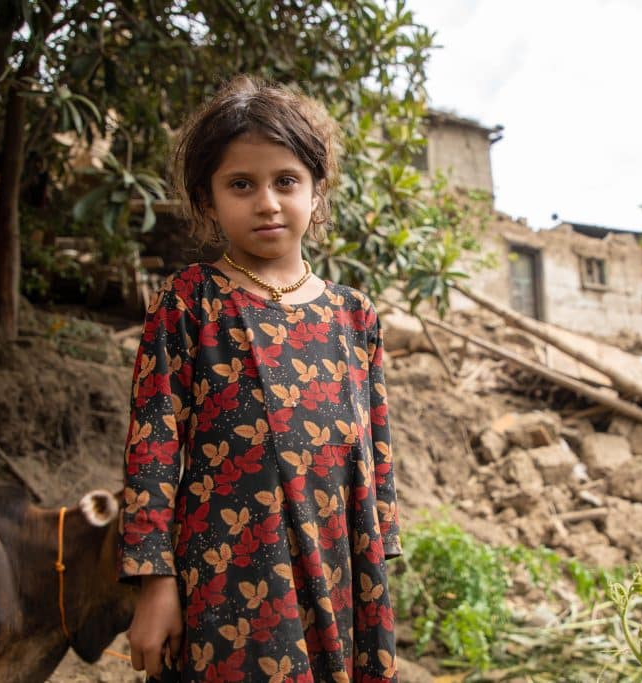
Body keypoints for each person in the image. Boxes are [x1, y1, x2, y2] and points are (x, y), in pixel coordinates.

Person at [119, 75, 400, 682]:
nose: (267, 201)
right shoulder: (188, 302)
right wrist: (154, 583)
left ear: (317, 192)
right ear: (207, 199)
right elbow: (153, 451)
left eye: (286, 181)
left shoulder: (354, 313)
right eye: (240, 184)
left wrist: (377, 555)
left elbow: (374, 445)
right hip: (229, 571)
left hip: (339, 567)